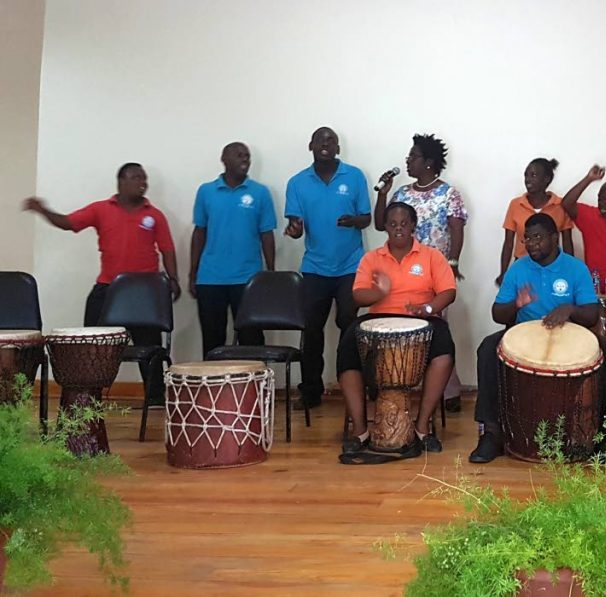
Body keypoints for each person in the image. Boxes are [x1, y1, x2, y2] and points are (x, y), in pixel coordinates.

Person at [22, 162, 179, 408]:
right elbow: (69, 223)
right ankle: (87, 394)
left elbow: (167, 249)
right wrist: (44, 210)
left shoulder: (154, 214)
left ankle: (155, 396)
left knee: (149, 346)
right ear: (121, 181)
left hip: (144, 293)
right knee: (91, 344)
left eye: (144, 179)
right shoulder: (100, 209)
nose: (143, 183)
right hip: (108, 289)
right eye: (137, 177)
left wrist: (173, 279)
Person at [470, 213, 606, 464]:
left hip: (570, 334)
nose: (531, 244)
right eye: (526, 239)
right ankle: (492, 433)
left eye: (537, 238)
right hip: (525, 332)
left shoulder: (575, 268)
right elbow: (498, 314)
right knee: (487, 348)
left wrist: (570, 309)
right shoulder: (518, 268)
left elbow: (592, 314)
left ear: (554, 238)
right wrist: (517, 303)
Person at [338, 202, 455, 458]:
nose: (398, 228)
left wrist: (426, 309)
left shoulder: (431, 256)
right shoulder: (371, 258)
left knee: (444, 350)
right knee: (347, 346)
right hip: (379, 318)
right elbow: (358, 296)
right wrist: (379, 292)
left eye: (404, 223)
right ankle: (360, 431)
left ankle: (422, 428)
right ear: (385, 228)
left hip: (423, 319)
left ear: (413, 225)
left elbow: (448, 291)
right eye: (393, 224)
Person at [373, 134, 468, 412]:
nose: (407, 160)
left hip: (434, 273)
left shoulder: (449, 193)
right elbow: (381, 224)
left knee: (437, 330)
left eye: (412, 156)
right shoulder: (402, 193)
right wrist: (383, 193)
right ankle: (398, 385)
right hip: (403, 272)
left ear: (428, 162)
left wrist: (452, 263)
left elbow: (456, 228)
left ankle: (449, 390)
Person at [284, 126, 371, 411]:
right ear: (310, 146)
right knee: (311, 330)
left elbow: (367, 218)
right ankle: (311, 390)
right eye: (320, 139)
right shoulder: (297, 182)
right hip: (315, 267)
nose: (325, 143)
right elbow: (296, 228)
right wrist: (294, 229)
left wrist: (353, 221)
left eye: (331, 140)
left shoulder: (355, 176)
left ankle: (355, 385)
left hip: (351, 266)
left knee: (349, 325)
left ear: (338, 148)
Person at [189, 142, 277, 357]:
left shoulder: (260, 192)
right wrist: (193, 272)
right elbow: (199, 232)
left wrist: (270, 274)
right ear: (224, 159)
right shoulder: (206, 191)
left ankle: (254, 389)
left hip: (248, 279)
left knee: (251, 339)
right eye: (239, 155)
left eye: (247, 156)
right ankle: (213, 389)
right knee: (212, 339)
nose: (245, 159)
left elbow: (267, 234)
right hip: (210, 278)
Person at [496, 158, 574, 286]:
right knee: (521, 303)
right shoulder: (516, 204)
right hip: (523, 267)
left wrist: (570, 270)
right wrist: (504, 272)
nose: (528, 179)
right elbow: (508, 242)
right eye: (526, 175)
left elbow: (567, 242)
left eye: (533, 175)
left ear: (546, 179)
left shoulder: (560, 205)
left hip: (553, 268)